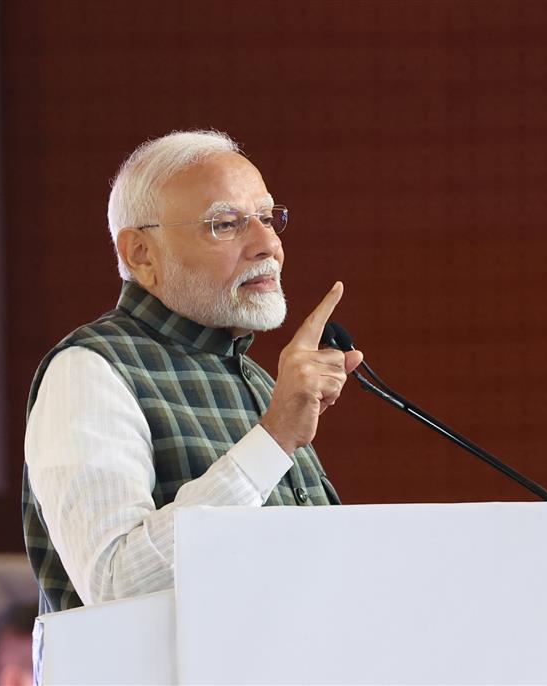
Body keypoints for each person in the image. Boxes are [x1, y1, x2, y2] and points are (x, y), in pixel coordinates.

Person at [22, 130, 363, 614]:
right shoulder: (89, 371)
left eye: (268, 219)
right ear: (141, 253)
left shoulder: (258, 381)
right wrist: (274, 438)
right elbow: (115, 585)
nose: (268, 244)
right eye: (226, 224)